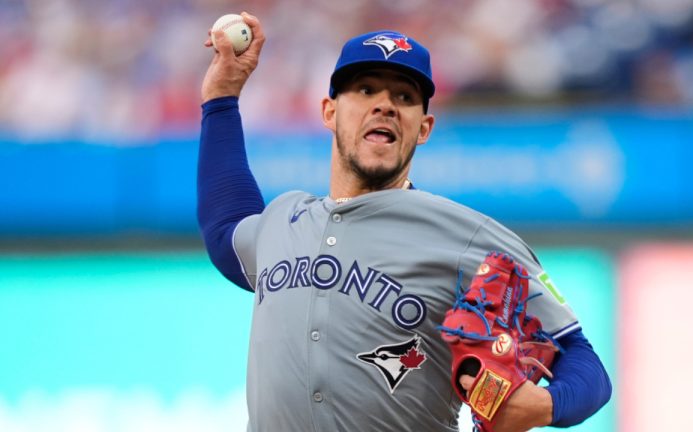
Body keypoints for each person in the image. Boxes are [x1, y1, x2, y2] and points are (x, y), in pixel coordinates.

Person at [198, 12, 611, 432]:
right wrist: (222, 97)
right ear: (329, 111)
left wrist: (544, 405)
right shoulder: (284, 219)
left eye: (404, 97)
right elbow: (225, 231)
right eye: (364, 89)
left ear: (424, 127)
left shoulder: (465, 236)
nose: (384, 105)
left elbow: (584, 362)